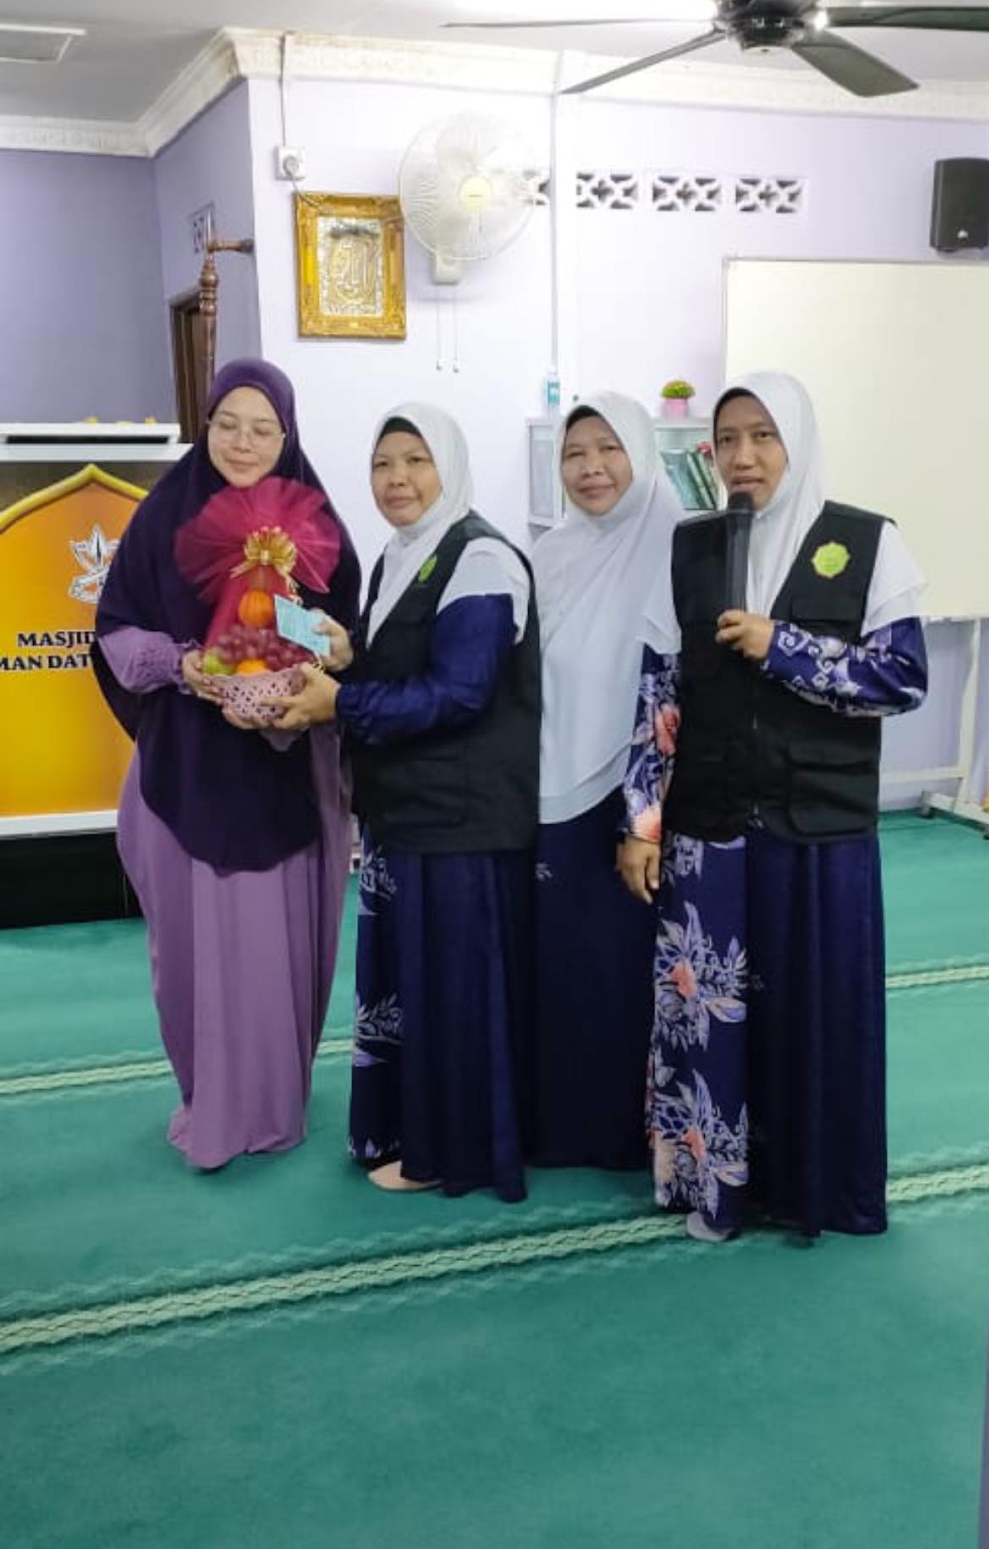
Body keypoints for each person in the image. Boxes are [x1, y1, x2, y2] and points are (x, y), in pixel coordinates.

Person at [619, 372, 927, 1242]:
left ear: (797, 441)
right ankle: (714, 1188)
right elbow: (658, 691)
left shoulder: (865, 542)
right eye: (727, 440)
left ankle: (809, 1192)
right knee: (707, 1015)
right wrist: (641, 822)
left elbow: (901, 679)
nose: (742, 457)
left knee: (810, 1014)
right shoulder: (693, 547)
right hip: (708, 826)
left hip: (817, 830)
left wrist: (781, 645)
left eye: (762, 436)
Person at [92, 358, 361, 1171]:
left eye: (262, 428)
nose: (243, 443)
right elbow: (115, 630)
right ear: (205, 425)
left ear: (287, 434)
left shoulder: (314, 519)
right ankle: (209, 1098)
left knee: (277, 948)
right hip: (186, 768)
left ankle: (274, 1104)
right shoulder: (162, 517)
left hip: (285, 769)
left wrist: (304, 653)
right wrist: (184, 667)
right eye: (228, 425)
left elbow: (336, 633)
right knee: (194, 950)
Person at [272, 403, 539, 1202]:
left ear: (449, 466)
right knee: (413, 985)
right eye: (382, 464)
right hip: (407, 813)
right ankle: (406, 1132)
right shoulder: (402, 555)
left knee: (452, 990)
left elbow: (458, 693)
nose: (397, 480)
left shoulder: (480, 558)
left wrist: (339, 702)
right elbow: (405, 665)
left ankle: (452, 1153)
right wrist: (349, 654)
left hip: (460, 819)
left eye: (416, 461)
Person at [530, 394, 682, 1169]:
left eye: (608, 449)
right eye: (573, 453)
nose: (590, 468)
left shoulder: (678, 549)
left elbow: (674, 696)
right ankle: (560, 1128)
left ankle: (622, 1136)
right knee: (558, 966)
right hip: (549, 787)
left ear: (641, 453)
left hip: (635, 805)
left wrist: (642, 820)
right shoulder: (549, 553)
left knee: (621, 970)